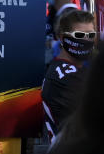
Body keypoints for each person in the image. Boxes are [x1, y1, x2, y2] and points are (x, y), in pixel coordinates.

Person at [41, 10, 95, 144]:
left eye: (91, 35)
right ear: (61, 37)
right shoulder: (66, 77)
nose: (86, 40)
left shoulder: (70, 70)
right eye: (79, 35)